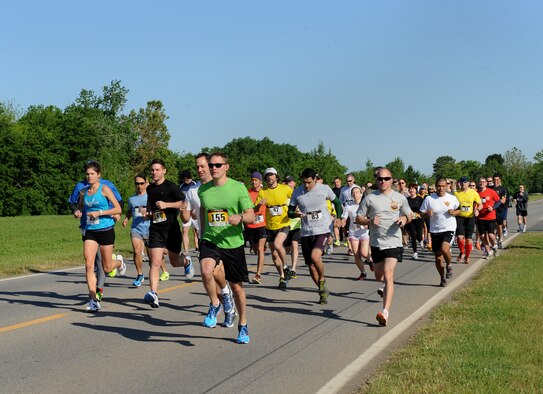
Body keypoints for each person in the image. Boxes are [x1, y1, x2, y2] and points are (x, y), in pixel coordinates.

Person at [198, 152, 255, 344]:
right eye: (211, 165)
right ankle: (215, 303)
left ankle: (243, 324)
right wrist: (201, 235)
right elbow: (203, 211)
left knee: (237, 287)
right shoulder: (203, 190)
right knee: (206, 271)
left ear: (226, 167)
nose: (214, 168)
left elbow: (251, 215)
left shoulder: (238, 188)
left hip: (233, 242)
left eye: (218, 165)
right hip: (211, 239)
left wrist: (240, 217)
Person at [181, 153, 233, 327]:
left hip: (227, 237)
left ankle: (226, 296)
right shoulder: (193, 191)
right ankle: (215, 303)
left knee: (219, 274)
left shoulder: (225, 186)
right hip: (207, 238)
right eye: (197, 167)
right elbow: (186, 218)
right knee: (206, 272)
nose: (200, 170)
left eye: (203, 166)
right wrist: (183, 212)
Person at [356, 168, 412, 326]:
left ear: (392, 180)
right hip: (376, 243)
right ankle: (384, 286)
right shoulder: (369, 197)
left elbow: (410, 214)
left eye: (386, 179)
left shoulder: (399, 197)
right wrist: (369, 221)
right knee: (379, 277)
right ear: (376, 180)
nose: (383, 181)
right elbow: (358, 218)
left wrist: (403, 218)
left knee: (388, 275)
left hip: (394, 241)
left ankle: (385, 312)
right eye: (380, 179)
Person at [69, 161, 124, 303]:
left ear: (98, 175)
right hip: (90, 231)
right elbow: (79, 206)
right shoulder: (84, 191)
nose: (89, 176)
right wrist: (77, 211)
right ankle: (93, 299)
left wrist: (100, 212)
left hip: (105, 229)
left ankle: (118, 262)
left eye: (92, 174)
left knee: (106, 266)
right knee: (89, 264)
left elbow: (118, 208)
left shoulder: (105, 189)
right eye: (87, 174)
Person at [143, 159, 193, 308]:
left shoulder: (171, 187)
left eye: (157, 170)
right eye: (152, 170)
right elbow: (151, 206)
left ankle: (187, 261)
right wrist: (149, 213)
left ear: (164, 171)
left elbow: (183, 203)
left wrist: (167, 205)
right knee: (155, 262)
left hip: (171, 229)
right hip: (156, 229)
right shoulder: (149, 189)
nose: (154, 173)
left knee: (174, 262)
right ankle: (154, 294)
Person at [288, 168, 343, 304]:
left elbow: (337, 203)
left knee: (315, 257)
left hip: (322, 229)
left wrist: (339, 217)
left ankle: (322, 278)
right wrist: (295, 214)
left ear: (314, 179)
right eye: (304, 182)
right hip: (306, 231)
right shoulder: (297, 191)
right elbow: (289, 212)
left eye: (309, 182)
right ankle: (322, 290)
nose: (306, 185)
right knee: (311, 266)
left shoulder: (324, 189)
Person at [420, 178, 460, 287]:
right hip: (435, 230)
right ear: (436, 186)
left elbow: (459, 210)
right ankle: (442, 278)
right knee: (438, 257)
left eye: (443, 186)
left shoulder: (452, 198)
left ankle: (449, 265)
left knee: (445, 249)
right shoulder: (429, 199)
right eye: (439, 186)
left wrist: (454, 212)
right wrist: (426, 213)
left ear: (447, 186)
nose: (441, 188)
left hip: (449, 227)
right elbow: (421, 213)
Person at [257, 167, 293, 288]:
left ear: (276, 176)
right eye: (267, 175)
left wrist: (296, 209)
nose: (269, 177)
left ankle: (286, 266)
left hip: (283, 223)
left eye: (271, 175)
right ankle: (282, 276)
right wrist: (259, 205)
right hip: (270, 226)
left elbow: (296, 198)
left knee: (278, 245)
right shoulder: (263, 192)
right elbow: (255, 209)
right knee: (274, 255)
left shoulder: (285, 189)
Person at [341, 185, 371, 279]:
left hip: (364, 232)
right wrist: (343, 221)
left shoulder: (365, 204)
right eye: (353, 193)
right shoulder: (349, 205)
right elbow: (345, 216)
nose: (355, 194)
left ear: (361, 193)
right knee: (356, 254)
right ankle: (363, 272)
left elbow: (371, 216)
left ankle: (370, 260)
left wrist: (367, 222)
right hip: (353, 232)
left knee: (364, 253)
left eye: (357, 192)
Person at [245, 172, 268, 284]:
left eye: (256, 180)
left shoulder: (265, 193)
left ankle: (258, 275)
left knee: (260, 249)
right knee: (255, 250)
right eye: (252, 180)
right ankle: (260, 247)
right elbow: (248, 209)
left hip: (262, 225)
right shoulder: (247, 193)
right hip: (250, 225)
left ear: (260, 182)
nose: (254, 182)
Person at [454, 176, 482, 264]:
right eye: (462, 182)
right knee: (459, 237)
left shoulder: (473, 193)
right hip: (459, 217)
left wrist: (477, 210)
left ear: (468, 183)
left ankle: (467, 256)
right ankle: (462, 252)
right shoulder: (456, 193)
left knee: (468, 239)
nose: (463, 184)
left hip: (470, 217)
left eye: (465, 182)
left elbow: (480, 204)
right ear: (459, 183)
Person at [476, 177, 501, 258]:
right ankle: (488, 252)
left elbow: (498, 201)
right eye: (480, 182)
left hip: (490, 217)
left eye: (483, 182)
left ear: (486, 183)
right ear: (478, 183)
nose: (482, 183)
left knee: (490, 235)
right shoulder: (476, 193)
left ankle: (494, 246)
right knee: (483, 236)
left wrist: (493, 208)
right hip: (480, 218)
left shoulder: (491, 192)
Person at [284, 175, 301, 279]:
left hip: (296, 224)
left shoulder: (298, 194)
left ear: (294, 183)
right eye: (287, 182)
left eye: (290, 182)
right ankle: (286, 267)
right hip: (286, 224)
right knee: (286, 250)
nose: (289, 184)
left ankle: (293, 269)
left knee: (295, 245)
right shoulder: (283, 195)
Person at [179, 170, 200, 253]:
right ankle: (186, 251)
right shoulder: (181, 186)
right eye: (184, 179)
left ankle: (198, 247)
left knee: (197, 231)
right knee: (185, 230)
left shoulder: (195, 184)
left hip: (194, 210)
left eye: (187, 179)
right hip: (185, 210)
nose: (185, 180)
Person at [405, 183, 425, 260]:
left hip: (419, 219)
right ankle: (415, 252)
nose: (411, 190)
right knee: (413, 235)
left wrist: (420, 214)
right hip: (411, 220)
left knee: (419, 235)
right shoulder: (407, 200)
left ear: (416, 190)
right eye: (410, 189)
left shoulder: (420, 199)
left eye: (413, 189)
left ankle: (421, 240)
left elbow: (424, 209)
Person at [492, 174, 509, 247]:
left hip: (501, 209)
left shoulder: (503, 189)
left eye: (497, 180)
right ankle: (495, 240)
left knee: (500, 225)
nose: (496, 181)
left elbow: (503, 200)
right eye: (494, 180)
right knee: (493, 225)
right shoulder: (490, 188)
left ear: (500, 180)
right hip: (492, 210)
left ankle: (500, 239)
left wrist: (495, 204)